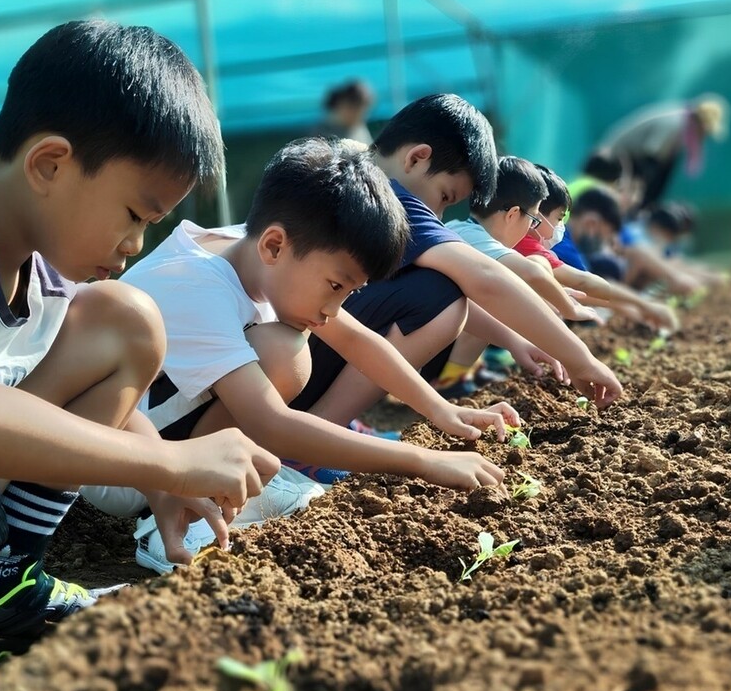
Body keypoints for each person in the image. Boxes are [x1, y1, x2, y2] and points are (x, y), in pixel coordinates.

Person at [0, 20, 281, 691]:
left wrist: (154, 472)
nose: (135, 242)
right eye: (133, 213)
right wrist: (180, 462)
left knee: (126, 319)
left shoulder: (45, 269)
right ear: (50, 164)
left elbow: (64, 394)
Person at [82, 138, 516, 573]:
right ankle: (174, 519)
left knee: (286, 347)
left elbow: (360, 340)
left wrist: (441, 411)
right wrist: (424, 461)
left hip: (152, 435)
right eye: (335, 286)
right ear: (274, 246)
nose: (334, 309)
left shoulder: (262, 254)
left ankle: (215, 488)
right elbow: (271, 422)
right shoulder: (197, 285)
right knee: (284, 351)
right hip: (119, 462)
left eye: (349, 293)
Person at [288, 94, 622, 464]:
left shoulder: (349, 170)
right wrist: (580, 360)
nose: (438, 213)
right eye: (445, 196)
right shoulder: (385, 195)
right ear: (416, 158)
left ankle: (321, 434)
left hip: (275, 362)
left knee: (436, 286)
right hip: (280, 367)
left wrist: (514, 340)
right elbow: (481, 278)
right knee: (439, 293)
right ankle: (311, 447)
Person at [436, 156, 604, 392]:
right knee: (494, 301)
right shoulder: (477, 238)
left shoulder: (461, 228)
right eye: (533, 219)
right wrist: (569, 308)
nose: (532, 230)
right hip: (425, 339)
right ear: (513, 214)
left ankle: (461, 373)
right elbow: (533, 274)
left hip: (429, 330)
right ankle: (451, 381)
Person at [514, 167, 678, 333]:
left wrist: (637, 308)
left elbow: (586, 289)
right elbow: (585, 285)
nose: (559, 227)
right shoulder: (559, 247)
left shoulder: (549, 241)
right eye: (559, 218)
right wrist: (643, 306)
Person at [600, 93, 729, 214]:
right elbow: (650, 159)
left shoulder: (685, 129)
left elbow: (665, 167)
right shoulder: (675, 123)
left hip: (637, 159)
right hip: (615, 158)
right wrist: (643, 203)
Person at [315, 80, 375, 145]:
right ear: (343, 104)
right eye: (357, 109)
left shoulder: (359, 128)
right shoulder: (323, 131)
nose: (363, 115)